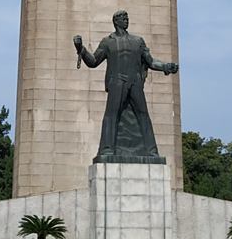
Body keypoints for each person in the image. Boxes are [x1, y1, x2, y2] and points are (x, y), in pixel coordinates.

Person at [73, 10, 178, 160]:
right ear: (116, 21)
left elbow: (151, 61)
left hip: (135, 82)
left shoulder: (138, 41)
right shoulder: (108, 42)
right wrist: (81, 49)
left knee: (143, 115)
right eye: (123, 18)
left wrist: (166, 66)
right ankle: (108, 149)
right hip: (117, 81)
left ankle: (151, 151)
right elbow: (93, 62)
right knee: (111, 115)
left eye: (127, 17)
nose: (126, 20)